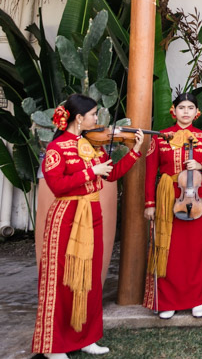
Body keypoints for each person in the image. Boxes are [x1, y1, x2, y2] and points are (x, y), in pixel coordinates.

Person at [32, 94, 143, 359]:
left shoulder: (92, 145)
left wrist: (135, 152)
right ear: (79, 118)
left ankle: (86, 337)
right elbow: (58, 186)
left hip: (92, 216)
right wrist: (89, 173)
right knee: (61, 280)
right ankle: (54, 346)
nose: (97, 119)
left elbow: (111, 173)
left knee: (90, 280)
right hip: (66, 217)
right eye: (93, 114)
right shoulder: (56, 148)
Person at [143, 92, 202, 319]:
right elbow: (150, 172)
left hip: (196, 199)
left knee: (197, 249)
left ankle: (198, 299)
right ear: (173, 111)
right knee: (169, 248)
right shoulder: (161, 137)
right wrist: (150, 203)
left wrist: (201, 165)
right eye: (181, 108)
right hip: (169, 196)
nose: (185, 112)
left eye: (190, 108)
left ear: (197, 112)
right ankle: (169, 301)